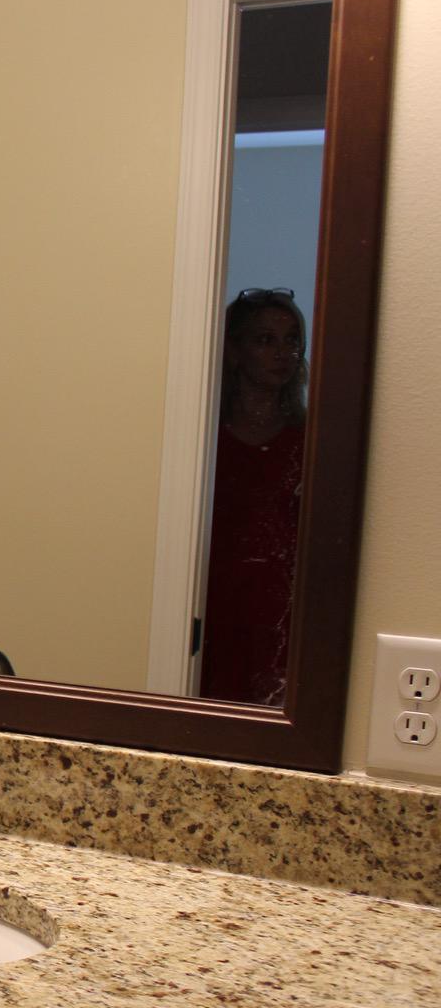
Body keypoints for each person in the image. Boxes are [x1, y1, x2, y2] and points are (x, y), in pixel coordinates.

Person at [199, 288, 307, 704]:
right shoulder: (203, 434)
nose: (283, 352)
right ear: (233, 350)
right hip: (211, 603)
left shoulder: (308, 439)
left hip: (282, 612)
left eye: (292, 340)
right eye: (265, 340)